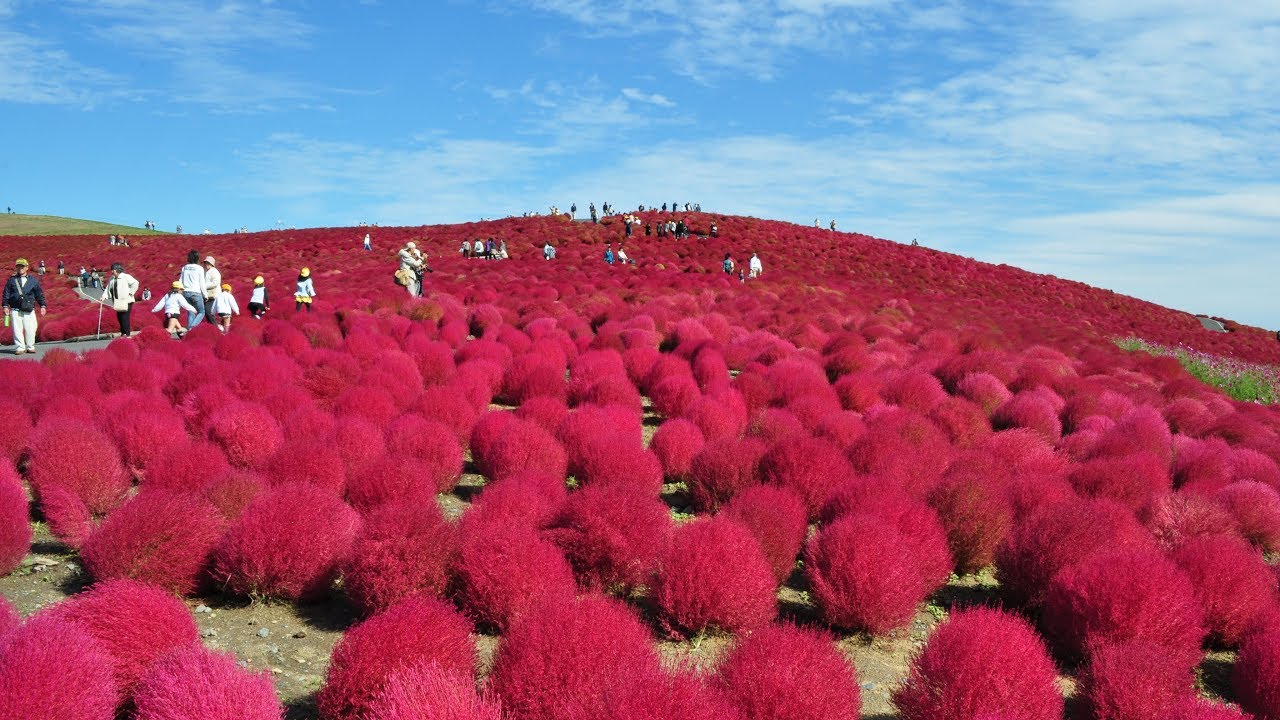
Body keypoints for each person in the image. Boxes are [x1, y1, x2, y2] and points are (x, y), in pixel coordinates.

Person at [3, 258, 48, 354]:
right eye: (18, 266)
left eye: (22, 266)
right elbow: (6, 293)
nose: (20, 268)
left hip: (28, 309)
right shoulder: (11, 280)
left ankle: (30, 346)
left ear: (27, 267)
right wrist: (5, 306)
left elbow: (39, 294)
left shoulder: (33, 281)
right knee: (17, 329)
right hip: (15, 309)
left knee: (31, 328)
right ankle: (20, 347)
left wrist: (43, 305)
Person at [101, 261, 140, 337]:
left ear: (117, 269)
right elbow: (108, 288)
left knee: (124, 317)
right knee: (119, 317)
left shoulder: (126, 277)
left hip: (127, 301)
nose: (112, 271)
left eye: (113, 269)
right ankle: (123, 333)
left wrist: (131, 293)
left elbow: (136, 283)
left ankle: (128, 334)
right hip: (118, 301)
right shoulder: (112, 278)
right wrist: (104, 296)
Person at [178, 251, 206, 328]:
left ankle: (190, 330)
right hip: (196, 293)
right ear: (197, 258)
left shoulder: (185, 268)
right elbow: (202, 283)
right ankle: (192, 327)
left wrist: (179, 291)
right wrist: (205, 295)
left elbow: (181, 280)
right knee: (201, 312)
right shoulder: (200, 268)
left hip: (186, 292)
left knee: (191, 312)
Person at [202, 256, 221, 325]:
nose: (206, 265)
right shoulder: (206, 271)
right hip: (207, 294)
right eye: (205, 263)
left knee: (208, 311)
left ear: (212, 264)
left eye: (208, 263)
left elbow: (215, 283)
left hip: (213, 295)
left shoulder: (214, 271)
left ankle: (215, 327)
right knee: (206, 312)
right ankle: (212, 327)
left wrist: (204, 286)